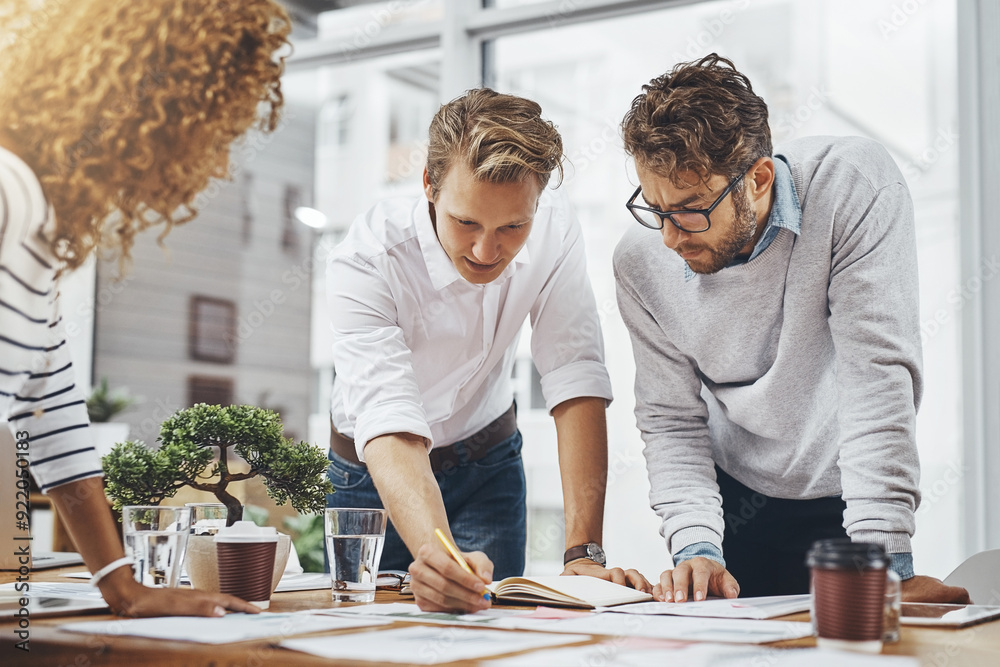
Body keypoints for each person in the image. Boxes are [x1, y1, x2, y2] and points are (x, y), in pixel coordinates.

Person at [613, 54, 970, 604]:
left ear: (758, 179)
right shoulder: (640, 261)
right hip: (736, 504)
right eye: (654, 209)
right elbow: (671, 420)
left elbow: (876, 380)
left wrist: (883, 558)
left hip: (849, 493)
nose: (668, 238)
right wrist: (695, 547)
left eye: (688, 211)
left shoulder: (852, 186)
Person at [0, 0, 291, 617]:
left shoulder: (36, 232)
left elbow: (53, 426)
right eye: (209, 132)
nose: (209, 162)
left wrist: (122, 587)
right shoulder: (6, 190)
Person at [327, 88, 649, 613]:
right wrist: (438, 553)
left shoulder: (556, 228)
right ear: (429, 185)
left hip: (489, 465)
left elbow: (574, 374)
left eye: (512, 228)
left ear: (538, 204)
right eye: (466, 222)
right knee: (373, 638)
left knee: (489, 632)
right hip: (372, 476)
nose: (484, 250)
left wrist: (583, 553)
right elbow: (388, 418)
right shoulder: (366, 258)